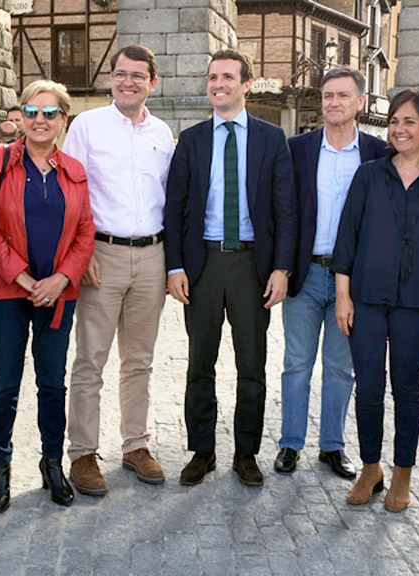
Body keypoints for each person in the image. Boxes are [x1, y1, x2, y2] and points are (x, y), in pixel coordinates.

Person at [164, 49, 296, 488]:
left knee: (251, 365)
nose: (217, 84)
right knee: (199, 363)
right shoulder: (192, 139)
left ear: (246, 85)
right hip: (201, 264)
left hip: (251, 266)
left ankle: (246, 453)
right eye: (212, 77)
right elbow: (175, 209)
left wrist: (282, 269)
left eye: (227, 77)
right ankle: (202, 451)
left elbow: (286, 209)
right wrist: (175, 266)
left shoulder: (271, 139)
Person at [332, 88, 419, 512]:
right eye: (393, 121)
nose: (398, 129)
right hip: (366, 301)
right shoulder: (369, 175)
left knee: (407, 390)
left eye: (409, 122)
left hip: (418, 305)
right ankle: (371, 469)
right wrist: (342, 298)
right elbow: (346, 239)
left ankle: (402, 474)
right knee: (368, 388)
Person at [0, 79, 95, 512]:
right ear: (21, 116)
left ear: (63, 120)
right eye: (31, 111)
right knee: (4, 384)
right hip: (9, 290)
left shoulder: (75, 170)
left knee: (51, 384)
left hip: (59, 294)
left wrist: (61, 279)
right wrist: (24, 279)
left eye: (50, 113)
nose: (40, 120)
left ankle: (52, 462)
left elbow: (85, 233)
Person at [62, 44, 174, 496]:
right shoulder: (87, 126)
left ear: (153, 82)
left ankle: (135, 445)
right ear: (111, 77)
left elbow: (169, 198)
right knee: (90, 359)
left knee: (140, 362)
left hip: (152, 256)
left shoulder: (162, 134)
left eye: (138, 75)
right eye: (121, 74)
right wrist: (80, 252)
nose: (128, 82)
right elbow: (72, 193)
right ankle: (83, 454)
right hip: (101, 256)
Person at [276, 67, 390, 479]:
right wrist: (283, 268)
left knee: (342, 368)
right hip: (305, 275)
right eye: (327, 95)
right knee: (297, 363)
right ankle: (290, 444)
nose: (333, 102)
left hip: (353, 283)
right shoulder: (298, 149)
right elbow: (285, 212)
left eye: (343, 95)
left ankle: (332, 446)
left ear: (360, 102)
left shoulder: (378, 153)